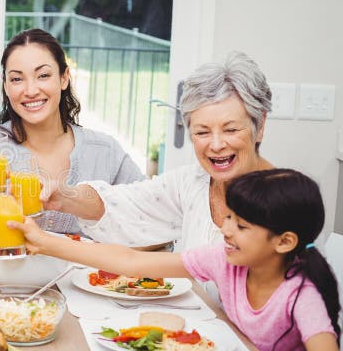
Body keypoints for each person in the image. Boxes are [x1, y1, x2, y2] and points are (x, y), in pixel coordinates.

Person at [13, 168, 343, 351]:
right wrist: (45, 241)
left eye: (242, 226)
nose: (226, 230)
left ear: (283, 242)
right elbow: (132, 261)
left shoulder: (301, 294)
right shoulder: (225, 260)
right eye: (229, 217)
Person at [46, 51, 273, 249]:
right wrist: (65, 197)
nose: (216, 145)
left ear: (259, 126)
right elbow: (124, 205)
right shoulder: (191, 183)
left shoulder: (284, 202)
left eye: (230, 129)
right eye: (202, 132)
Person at [0, 28, 144, 232]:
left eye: (43, 75)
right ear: (6, 86)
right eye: (16, 79)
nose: (30, 90)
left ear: (64, 78)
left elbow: (151, 222)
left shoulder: (106, 152)